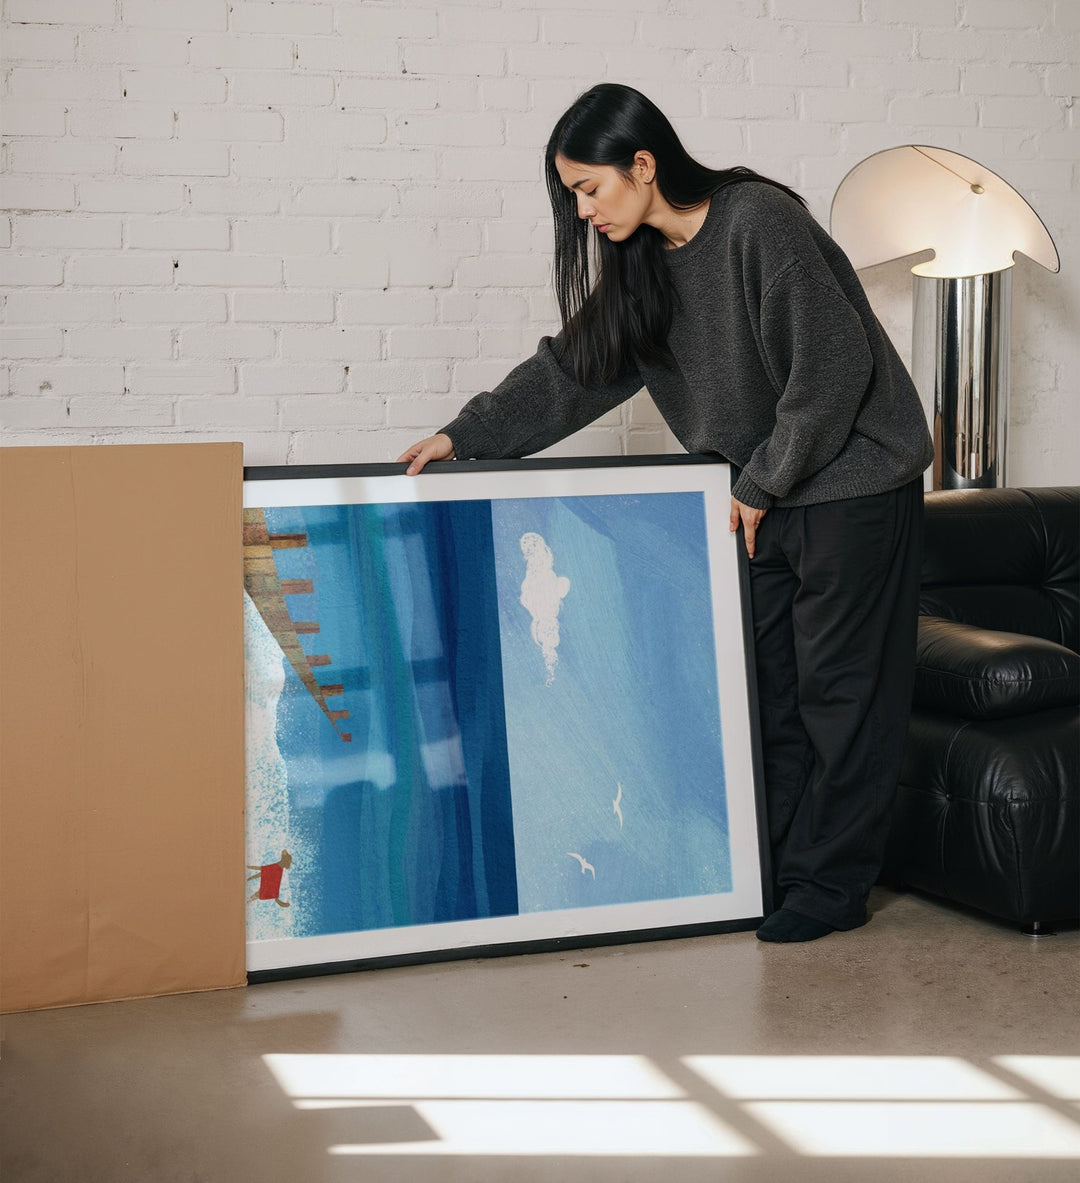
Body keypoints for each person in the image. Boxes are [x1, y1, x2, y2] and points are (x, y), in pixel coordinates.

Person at [398, 83, 934, 943]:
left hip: (852, 479)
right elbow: (573, 371)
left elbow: (833, 368)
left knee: (843, 695)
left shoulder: (757, 222)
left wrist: (761, 481)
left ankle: (830, 888)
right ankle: (776, 872)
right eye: (573, 195)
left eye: (590, 188)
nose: (583, 212)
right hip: (764, 494)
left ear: (643, 165)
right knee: (769, 694)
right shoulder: (642, 264)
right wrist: (468, 435)